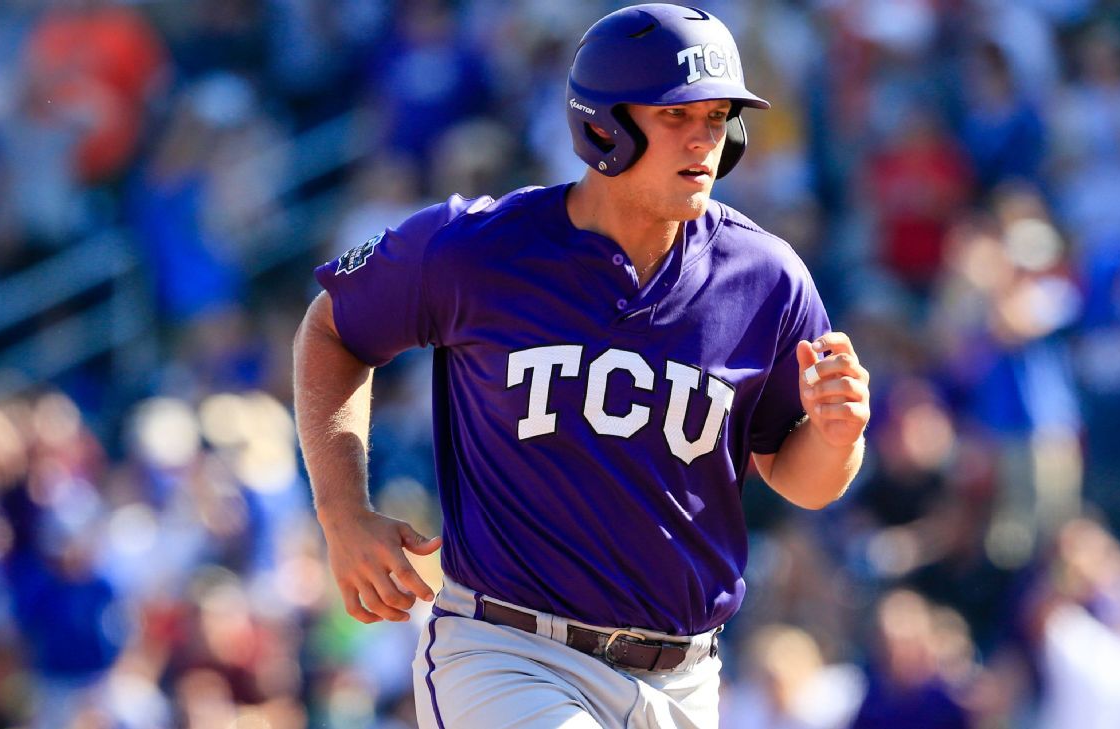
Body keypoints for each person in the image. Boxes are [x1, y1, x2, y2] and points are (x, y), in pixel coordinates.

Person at [292, 5, 871, 728]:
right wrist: (341, 510)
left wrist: (838, 434)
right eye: (677, 114)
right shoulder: (475, 248)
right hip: (510, 651)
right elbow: (334, 327)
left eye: (719, 115)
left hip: (684, 677)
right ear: (604, 127)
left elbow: (800, 479)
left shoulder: (768, 278)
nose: (705, 138)